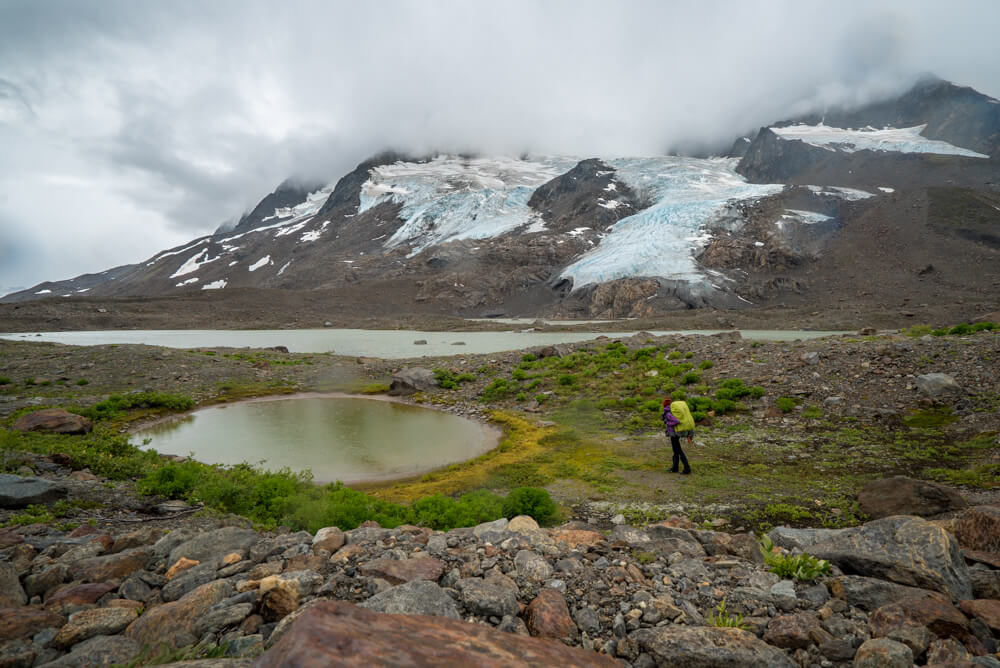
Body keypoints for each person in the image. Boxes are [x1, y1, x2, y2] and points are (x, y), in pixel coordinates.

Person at [661, 395, 693, 474]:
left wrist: (667, 422)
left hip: (674, 433)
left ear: (664, 405)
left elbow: (676, 421)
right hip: (675, 432)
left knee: (678, 450)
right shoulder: (671, 410)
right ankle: (675, 468)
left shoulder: (668, 413)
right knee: (675, 450)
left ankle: (687, 468)